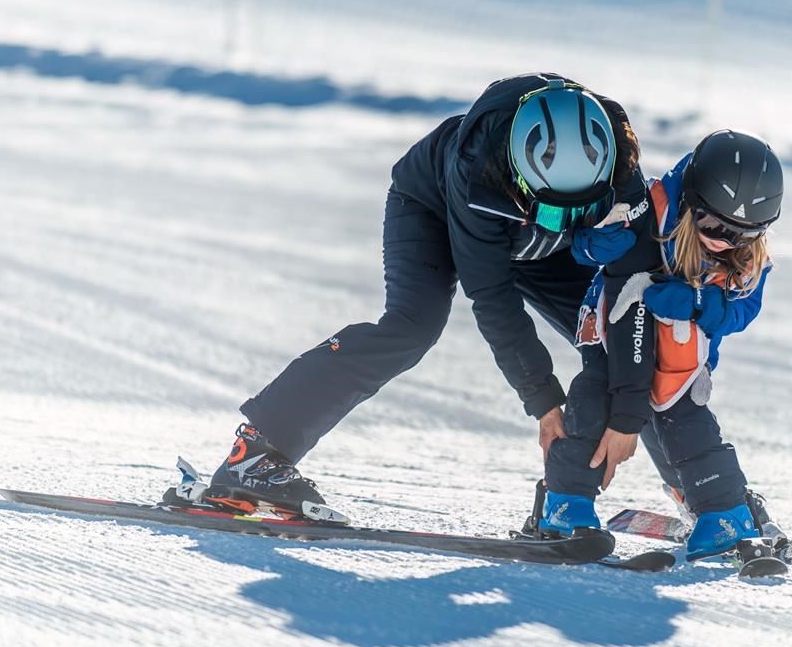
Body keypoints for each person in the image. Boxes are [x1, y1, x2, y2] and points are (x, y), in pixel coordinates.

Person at [195, 73, 658, 519]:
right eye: (553, 211)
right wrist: (543, 400)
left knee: (619, 339)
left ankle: (695, 489)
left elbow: (632, 303)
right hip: (432, 212)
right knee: (411, 328)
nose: (562, 220)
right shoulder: (477, 171)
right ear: (519, 171)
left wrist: (630, 421)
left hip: (538, 246)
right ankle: (255, 457)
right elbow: (494, 298)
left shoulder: (623, 171)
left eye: (581, 211)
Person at [538, 129, 784, 560]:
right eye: (712, 225)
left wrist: (697, 300)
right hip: (614, 332)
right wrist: (593, 241)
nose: (724, 240)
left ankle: (724, 509)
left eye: (741, 234)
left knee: (685, 421)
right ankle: (566, 503)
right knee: (596, 402)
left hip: (682, 355)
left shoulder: (748, 259)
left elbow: (742, 310)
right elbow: (585, 241)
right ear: (691, 203)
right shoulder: (648, 210)